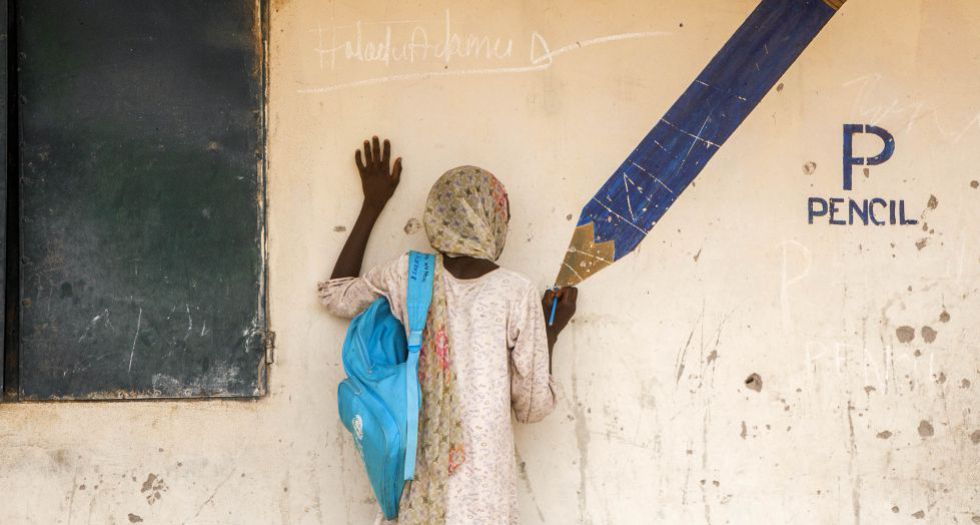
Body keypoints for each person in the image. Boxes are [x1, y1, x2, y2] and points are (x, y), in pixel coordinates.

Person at [318, 136, 578, 524]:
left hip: (420, 484)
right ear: (490, 221)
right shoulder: (515, 292)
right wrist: (550, 332)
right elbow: (533, 406)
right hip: (484, 497)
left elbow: (336, 295)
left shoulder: (408, 273)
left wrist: (373, 204)